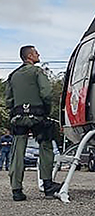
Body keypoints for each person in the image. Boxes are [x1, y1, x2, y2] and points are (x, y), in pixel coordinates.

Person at [4, 45, 61, 201]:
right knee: (46, 145)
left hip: (18, 117)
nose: (38, 54)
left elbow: (8, 100)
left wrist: (15, 112)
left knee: (17, 151)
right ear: (29, 56)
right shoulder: (37, 72)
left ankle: (16, 190)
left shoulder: (12, 75)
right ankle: (48, 185)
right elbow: (47, 93)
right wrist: (46, 111)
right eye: (36, 52)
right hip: (37, 116)